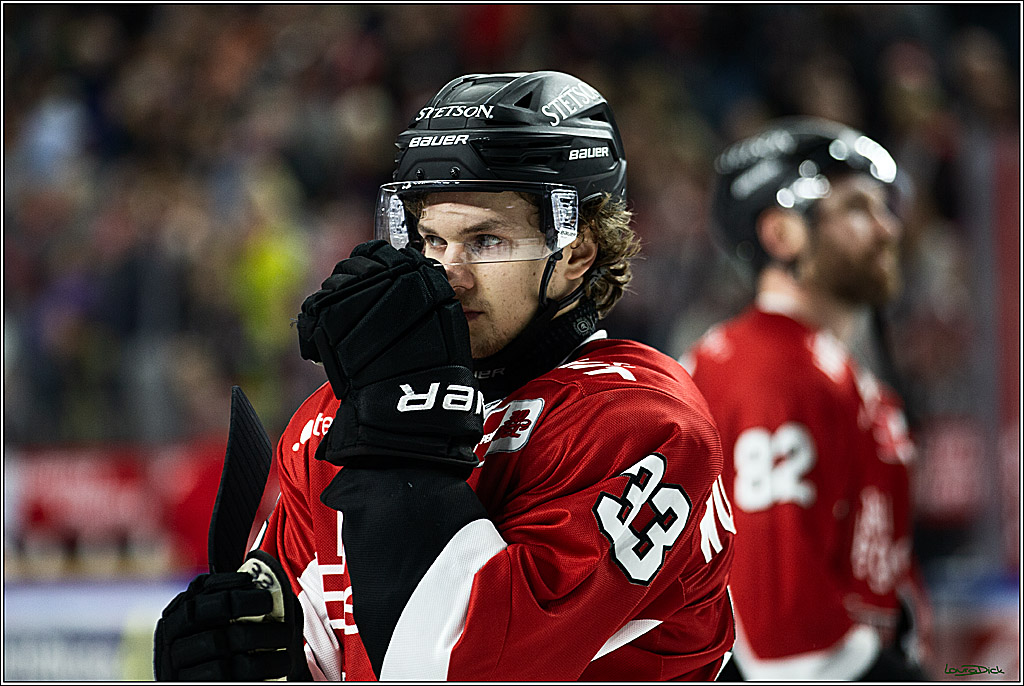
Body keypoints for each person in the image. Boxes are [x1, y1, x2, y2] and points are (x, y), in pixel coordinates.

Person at [154, 70, 736, 681]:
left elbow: (463, 667)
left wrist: (398, 445)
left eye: (486, 241)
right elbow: (320, 652)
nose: (448, 274)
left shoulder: (640, 421)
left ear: (576, 252)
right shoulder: (336, 413)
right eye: (431, 239)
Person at [683, 118, 929, 680]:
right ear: (781, 235)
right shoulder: (771, 374)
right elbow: (783, 638)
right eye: (858, 209)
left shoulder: (821, 366)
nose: (888, 230)